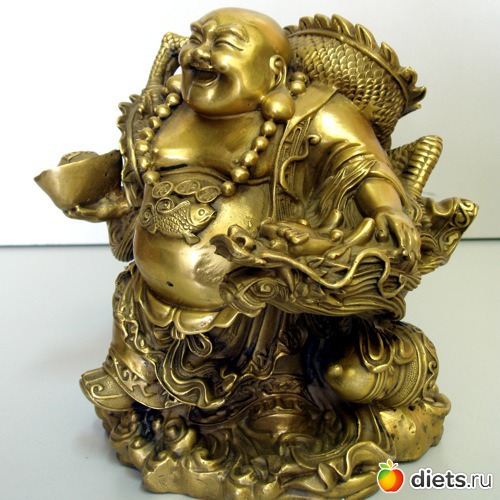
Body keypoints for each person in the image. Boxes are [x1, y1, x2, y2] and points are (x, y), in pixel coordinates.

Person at [41, 8, 475, 498]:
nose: (199, 53)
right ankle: (157, 395)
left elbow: (360, 164)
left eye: (223, 42)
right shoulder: (167, 108)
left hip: (261, 312)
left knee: (281, 402)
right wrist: (109, 203)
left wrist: (388, 209)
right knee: (131, 387)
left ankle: (276, 398)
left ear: (273, 71)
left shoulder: (312, 110)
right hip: (152, 308)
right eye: (196, 37)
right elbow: (144, 192)